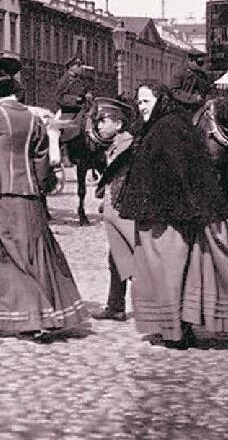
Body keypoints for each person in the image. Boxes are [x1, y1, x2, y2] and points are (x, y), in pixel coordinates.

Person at [116, 83, 228, 349]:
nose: (140, 107)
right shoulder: (168, 126)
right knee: (177, 273)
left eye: (145, 101)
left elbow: (181, 174)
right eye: (139, 102)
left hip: (167, 218)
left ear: (161, 100)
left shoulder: (168, 129)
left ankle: (174, 334)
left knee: (167, 273)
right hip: (170, 214)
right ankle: (180, 329)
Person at [0, 56, 88, 342]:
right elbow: (41, 161)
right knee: (31, 254)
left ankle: (20, 318)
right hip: (29, 198)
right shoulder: (33, 117)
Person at [90, 97, 137, 321]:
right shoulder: (116, 144)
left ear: (118, 124)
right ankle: (115, 306)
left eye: (104, 120)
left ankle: (155, 309)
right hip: (115, 210)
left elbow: (126, 179)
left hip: (125, 212)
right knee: (116, 257)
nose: (99, 125)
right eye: (98, 121)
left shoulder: (127, 145)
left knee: (136, 257)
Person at [54, 57, 94, 143]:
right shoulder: (65, 80)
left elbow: (89, 89)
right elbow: (59, 97)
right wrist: (76, 99)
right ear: (71, 67)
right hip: (70, 113)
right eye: (78, 65)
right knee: (69, 133)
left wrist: (89, 94)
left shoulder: (82, 79)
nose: (81, 68)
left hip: (82, 112)